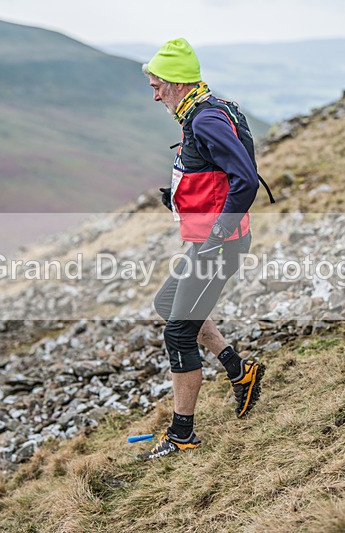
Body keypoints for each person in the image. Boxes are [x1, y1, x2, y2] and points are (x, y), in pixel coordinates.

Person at [137, 38, 265, 460]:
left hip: (219, 246)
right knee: (168, 304)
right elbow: (214, 175)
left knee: (177, 332)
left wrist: (216, 237)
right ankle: (238, 370)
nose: (155, 95)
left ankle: (182, 434)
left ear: (177, 83)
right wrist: (179, 198)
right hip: (209, 242)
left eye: (158, 86)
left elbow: (245, 179)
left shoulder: (206, 119)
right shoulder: (200, 110)